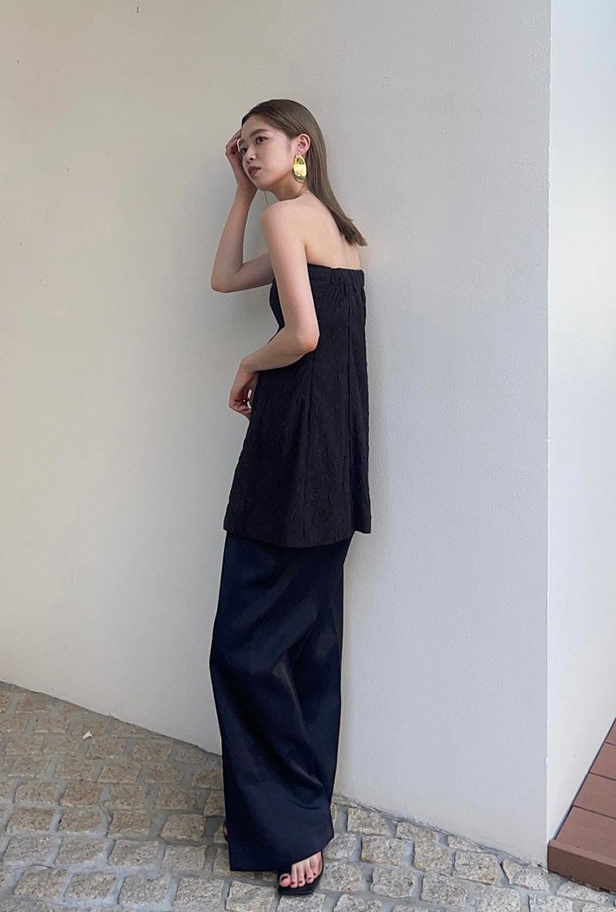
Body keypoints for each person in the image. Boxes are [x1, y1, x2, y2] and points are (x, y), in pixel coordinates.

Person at [208, 99, 372, 896]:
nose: (247, 153)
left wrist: (247, 362)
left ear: (301, 143)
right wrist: (243, 193)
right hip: (333, 453)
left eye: (260, 141)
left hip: (291, 449)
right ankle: (304, 811)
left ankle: (291, 825)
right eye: (241, 147)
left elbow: (303, 336)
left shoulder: (289, 220)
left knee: (242, 649)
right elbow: (223, 279)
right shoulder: (335, 229)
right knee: (309, 646)